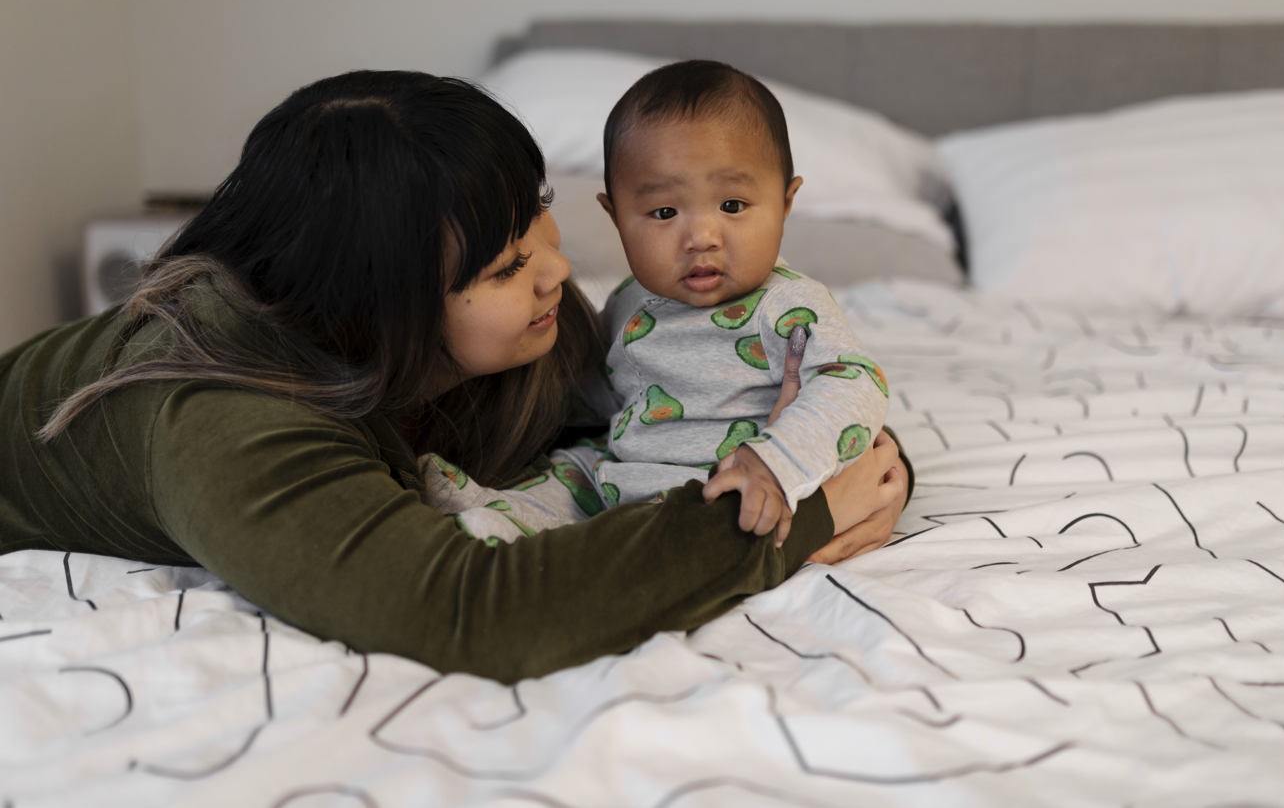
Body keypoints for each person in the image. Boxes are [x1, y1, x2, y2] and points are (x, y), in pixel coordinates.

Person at [0, 70, 910, 684]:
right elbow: (471, 613)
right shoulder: (223, 419)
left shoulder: (531, 324)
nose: (555, 270)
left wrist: (820, 443)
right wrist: (800, 514)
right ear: (381, 306)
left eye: (540, 219)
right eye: (505, 266)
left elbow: (688, 407)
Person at [424, 60, 895, 551]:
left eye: (732, 206)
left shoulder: (787, 306)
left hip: (718, 486)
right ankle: (493, 516)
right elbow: (594, 390)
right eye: (664, 212)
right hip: (623, 473)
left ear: (785, 202)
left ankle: (543, 534)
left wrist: (777, 462)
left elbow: (855, 384)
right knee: (571, 472)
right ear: (616, 217)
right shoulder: (630, 300)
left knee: (629, 506)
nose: (701, 238)